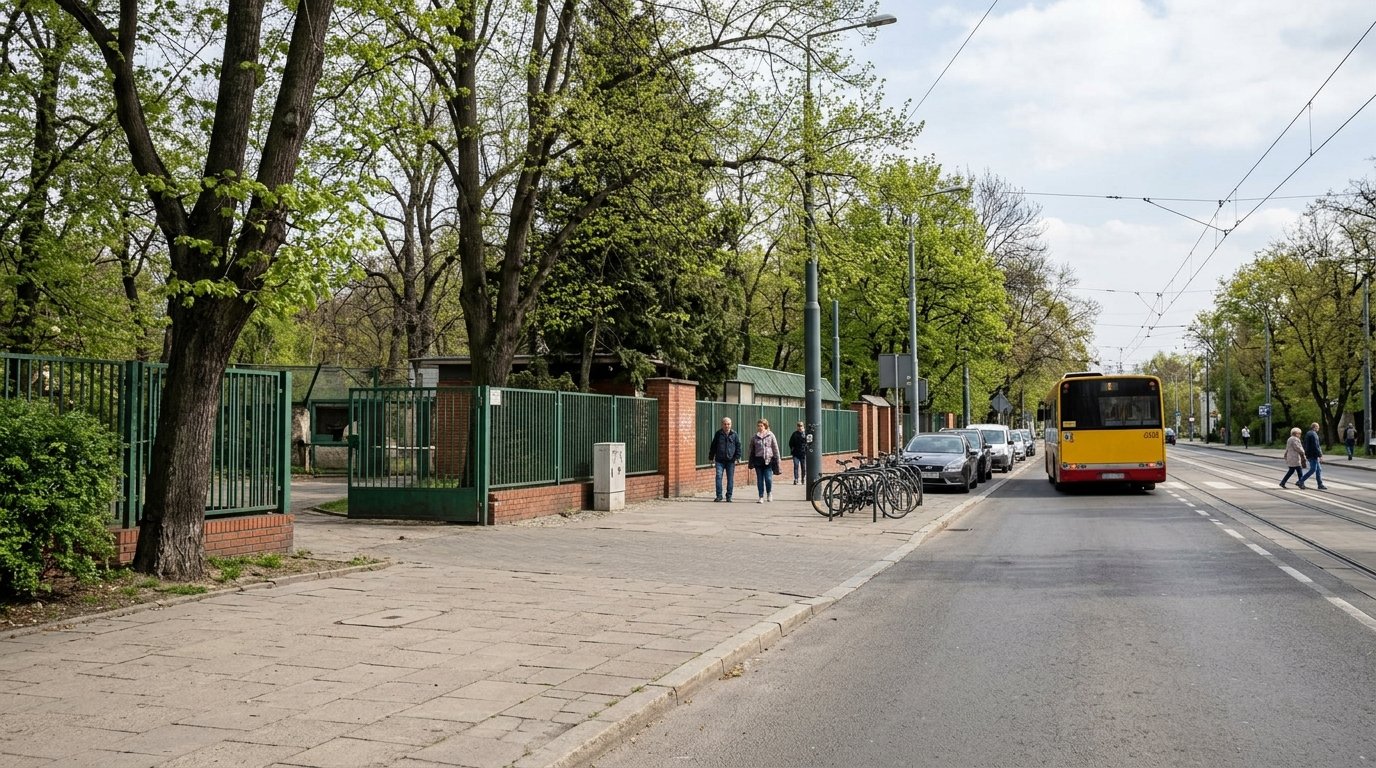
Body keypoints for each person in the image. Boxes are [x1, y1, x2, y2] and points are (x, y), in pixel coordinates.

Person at [709, 417, 741, 502]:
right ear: (722, 424)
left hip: (731, 460)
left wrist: (737, 457)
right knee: (718, 477)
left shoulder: (734, 434)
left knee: (730, 478)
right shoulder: (718, 434)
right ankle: (719, 495)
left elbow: (738, 446)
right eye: (725, 424)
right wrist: (711, 457)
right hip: (719, 460)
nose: (727, 426)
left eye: (728, 424)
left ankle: (729, 496)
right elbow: (713, 446)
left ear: (731, 425)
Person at [749, 418, 780, 503]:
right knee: (759, 480)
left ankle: (769, 493)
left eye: (761, 426)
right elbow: (751, 449)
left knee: (768, 479)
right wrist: (751, 461)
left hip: (768, 460)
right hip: (758, 460)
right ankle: (761, 496)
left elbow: (775, 448)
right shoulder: (755, 437)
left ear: (765, 426)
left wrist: (777, 460)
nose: (759, 427)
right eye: (758, 426)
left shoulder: (770, 435)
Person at [1298, 421, 1326, 490]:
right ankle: (1300, 481)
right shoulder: (1313, 434)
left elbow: (1305, 444)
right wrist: (1320, 455)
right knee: (1313, 469)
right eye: (1318, 427)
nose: (1318, 429)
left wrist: (1305, 453)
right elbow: (1316, 446)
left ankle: (1320, 484)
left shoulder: (1308, 433)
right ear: (1315, 427)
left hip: (1310, 454)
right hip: (1313, 455)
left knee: (1319, 469)